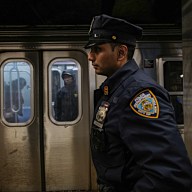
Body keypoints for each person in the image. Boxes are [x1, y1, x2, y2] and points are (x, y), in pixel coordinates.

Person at [84, 14, 192, 192]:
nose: (90, 57)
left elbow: (171, 175)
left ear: (121, 53)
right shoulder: (115, 89)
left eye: (97, 49)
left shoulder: (138, 95)